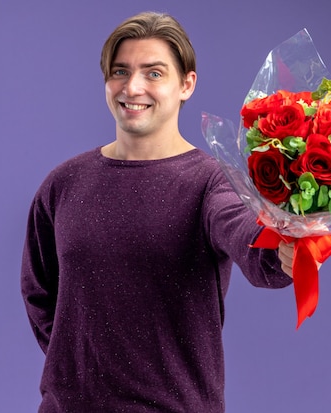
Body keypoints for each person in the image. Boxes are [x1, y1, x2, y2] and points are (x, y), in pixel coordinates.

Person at [21, 11, 297, 412]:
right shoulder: (63, 184)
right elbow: (39, 292)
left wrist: (282, 247)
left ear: (186, 84)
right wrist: (78, 371)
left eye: (153, 73)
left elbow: (246, 237)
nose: (132, 87)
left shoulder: (211, 183)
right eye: (120, 71)